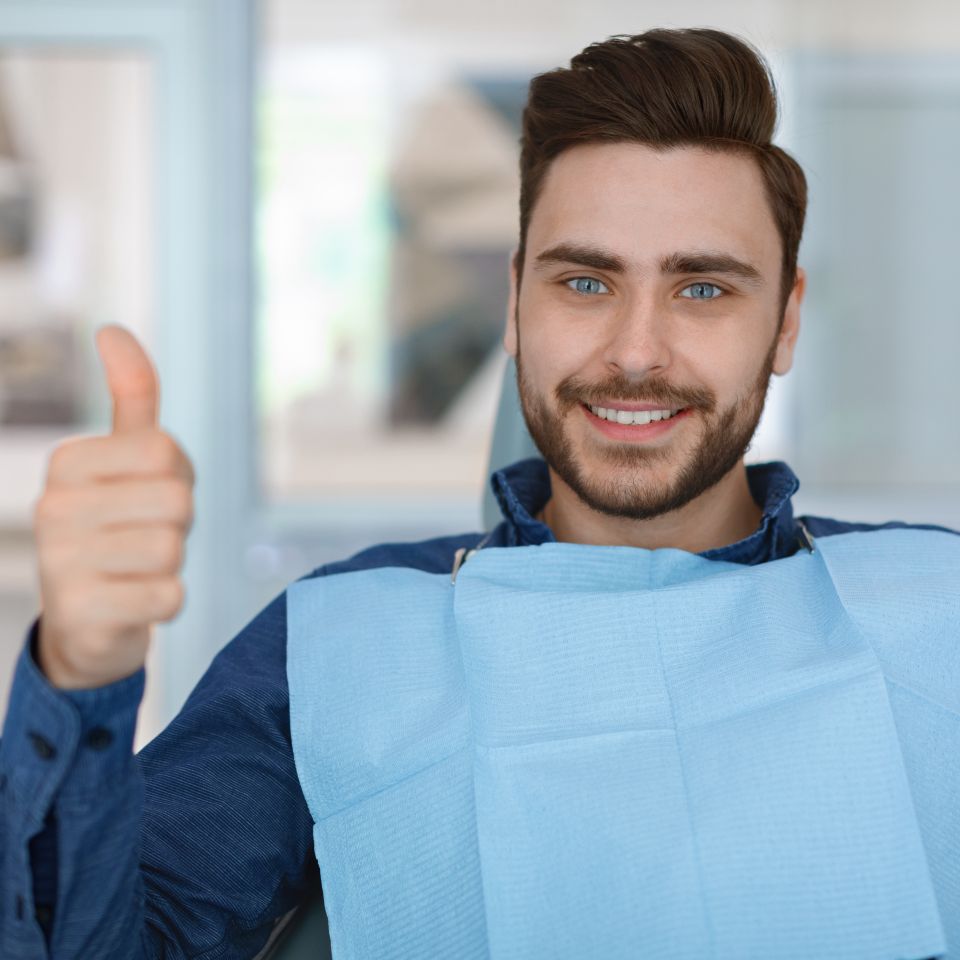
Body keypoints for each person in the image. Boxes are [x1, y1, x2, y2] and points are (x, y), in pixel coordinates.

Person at [1, 26, 957, 960]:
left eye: (703, 289)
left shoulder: (936, 610)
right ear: (514, 305)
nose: (634, 351)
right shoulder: (335, 645)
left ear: (785, 321)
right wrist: (80, 677)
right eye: (585, 282)